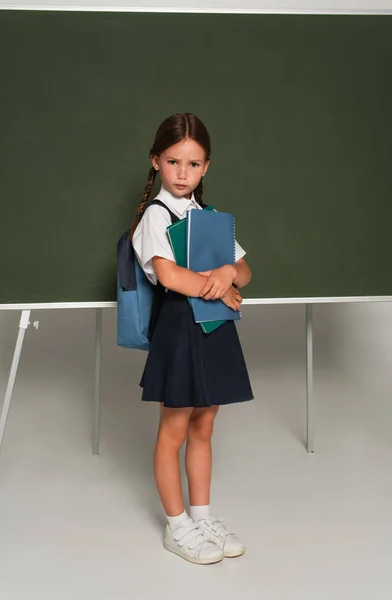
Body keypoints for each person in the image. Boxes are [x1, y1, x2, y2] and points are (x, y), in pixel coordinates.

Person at [131, 113, 253, 565]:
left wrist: (227, 274)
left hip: (215, 328)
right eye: (173, 161)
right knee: (175, 429)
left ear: (206, 167)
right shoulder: (154, 217)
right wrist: (223, 287)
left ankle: (201, 515)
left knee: (205, 424)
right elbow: (169, 276)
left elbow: (244, 268)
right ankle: (176, 523)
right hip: (180, 331)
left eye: (194, 164)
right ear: (156, 161)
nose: (183, 173)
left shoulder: (209, 216)